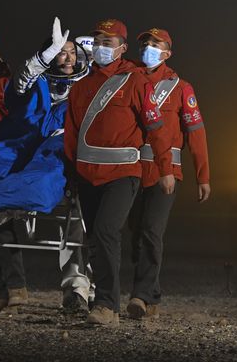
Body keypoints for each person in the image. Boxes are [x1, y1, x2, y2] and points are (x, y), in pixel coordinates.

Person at [0, 18, 92, 314]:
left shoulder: (89, 83)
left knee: (48, 176)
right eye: (61, 52)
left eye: (72, 52)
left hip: (63, 146)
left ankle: (79, 289)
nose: (66, 58)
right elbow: (19, 86)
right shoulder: (38, 79)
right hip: (24, 137)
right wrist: (43, 58)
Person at [64, 18, 174, 326]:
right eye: (97, 41)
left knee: (106, 231)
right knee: (96, 238)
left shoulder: (136, 81)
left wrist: (165, 169)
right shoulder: (82, 86)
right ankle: (105, 300)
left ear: (122, 49)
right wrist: (71, 174)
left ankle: (106, 305)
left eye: (108, 43)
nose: (101, 47)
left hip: (124, 173)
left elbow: (156, 129)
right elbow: (71, 134)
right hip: (87, 174)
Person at [127, 28, 210, 319]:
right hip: (130, 170)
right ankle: (152, 293)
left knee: (152, 231)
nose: (148, 48)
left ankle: (140, 295)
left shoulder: (181, 88)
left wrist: (203, 175)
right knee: (136, 233)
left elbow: (195, 132)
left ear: (168, 53)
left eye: (155, 44)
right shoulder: (127, 80)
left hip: (166, 173)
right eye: (145, 44)